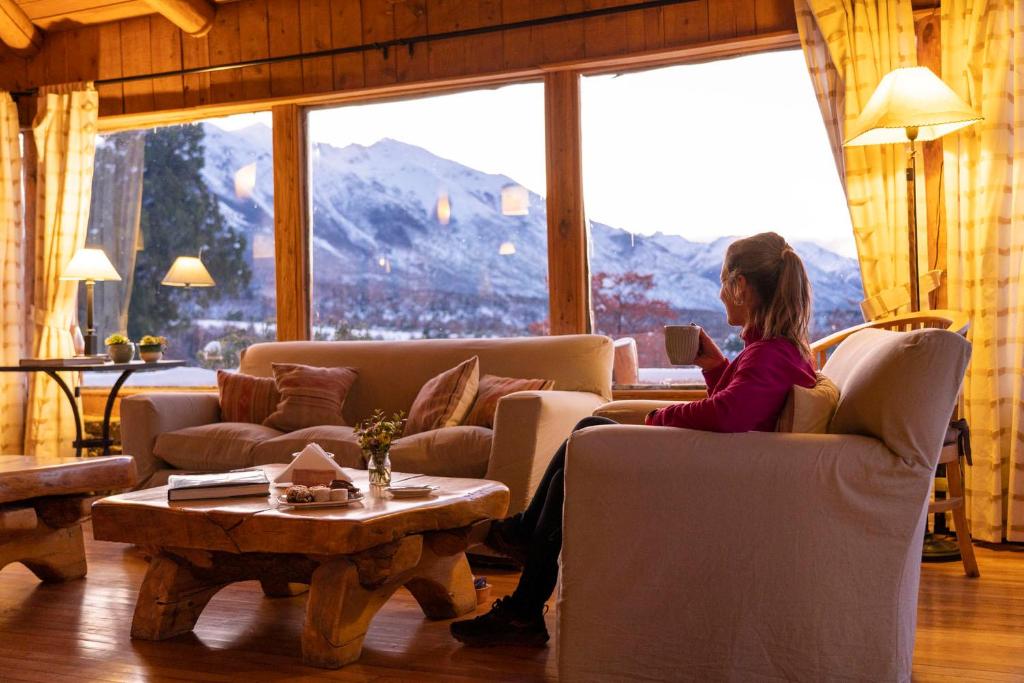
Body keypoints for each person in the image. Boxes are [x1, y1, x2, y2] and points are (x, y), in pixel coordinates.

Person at [450, 231, 818, 647]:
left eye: (722, 282)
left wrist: (658, 417)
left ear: (741, 286)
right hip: (723, 471)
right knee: (581, 446)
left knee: (586, 437)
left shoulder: (770, 354)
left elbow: (729, 414)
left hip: (714, 483)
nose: (720, 294)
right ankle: (522, 592)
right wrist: (716, 367)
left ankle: (521, 558)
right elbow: (740, 410)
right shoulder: (773, 351)